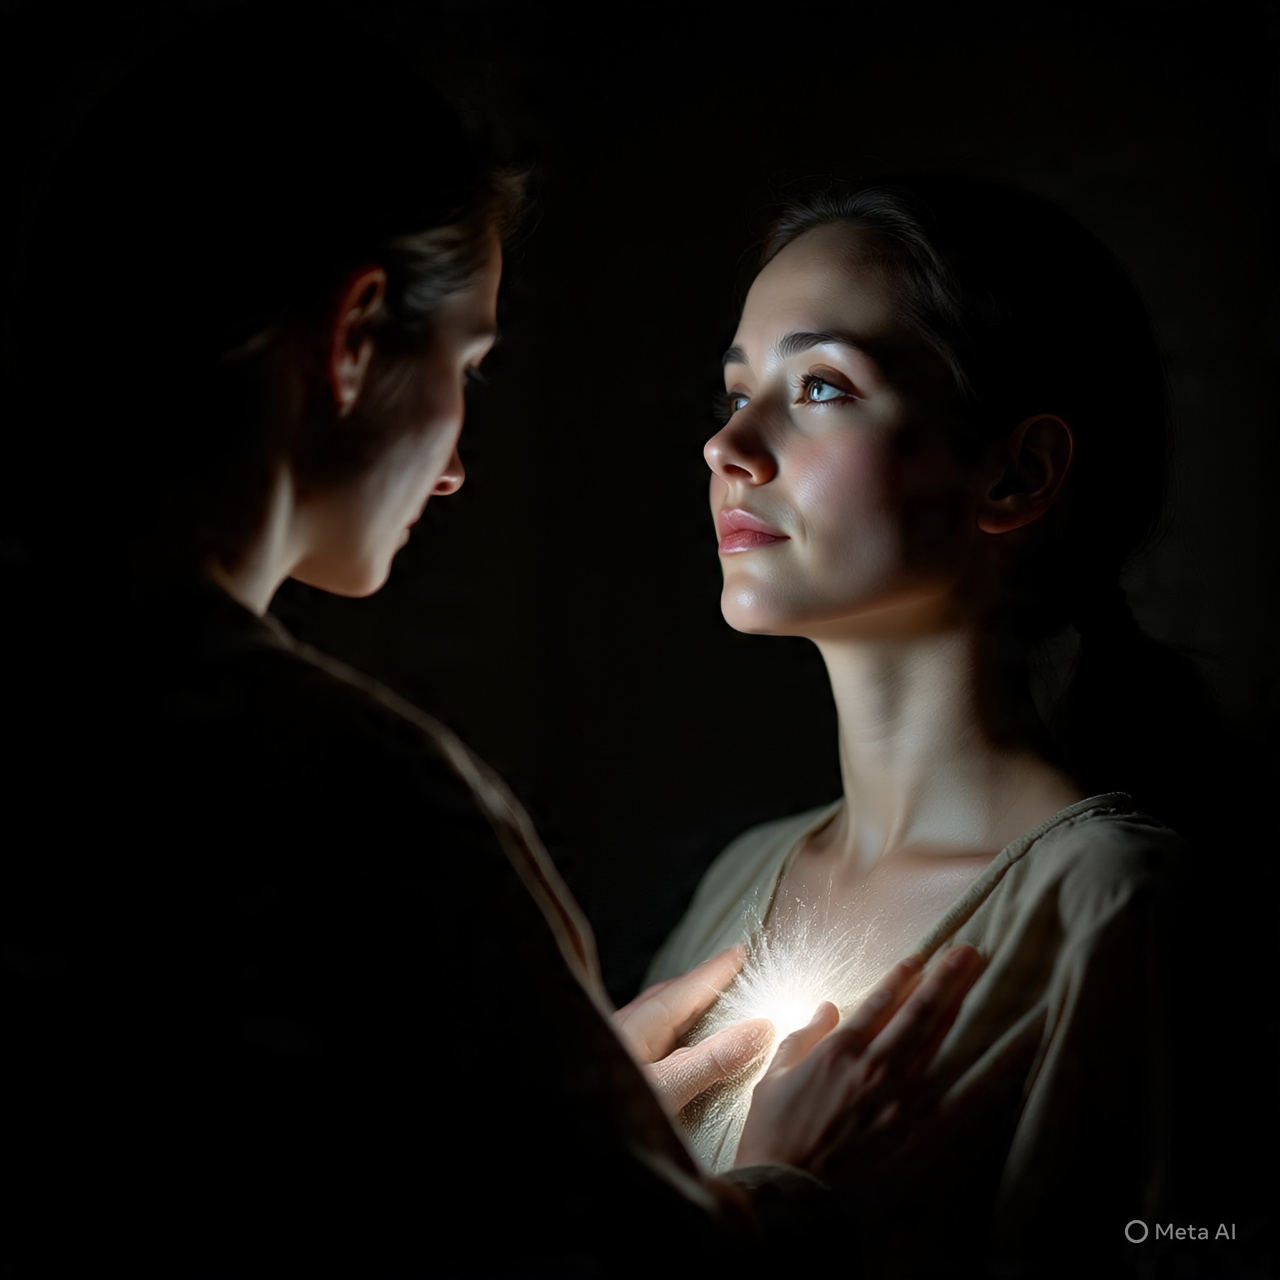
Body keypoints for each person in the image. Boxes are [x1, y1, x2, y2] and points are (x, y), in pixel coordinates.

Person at [1, 14, 984, 1278]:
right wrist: (773, 1196)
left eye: (822, 387)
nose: (458, 465)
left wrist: (536, 1110)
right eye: (464, 361)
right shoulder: (358, 802)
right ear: (353, 337)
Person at [645, 177, 1222, 1277]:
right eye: (732, 391)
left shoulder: (1115, 903)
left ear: (1014, 471)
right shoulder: (739, 878)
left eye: (817, 386)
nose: (728, 444)